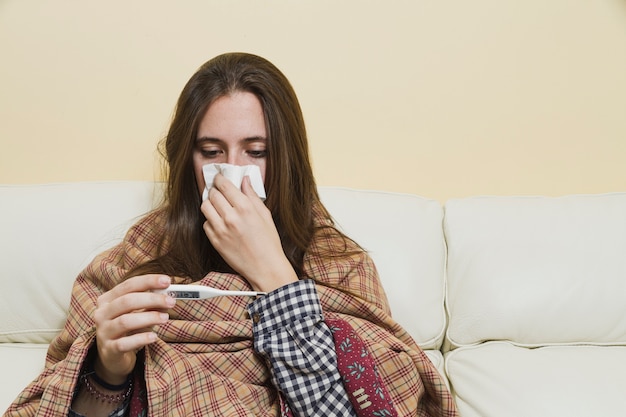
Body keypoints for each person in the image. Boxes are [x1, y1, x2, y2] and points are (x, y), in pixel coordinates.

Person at [4, 52, 458, 417]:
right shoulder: (134, 260)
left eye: (256, 151)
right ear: (188, 161)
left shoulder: (338, 262)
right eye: (211, 151)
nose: (233, 173)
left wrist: (275, 276)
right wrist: (108, 371)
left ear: (284, 160)